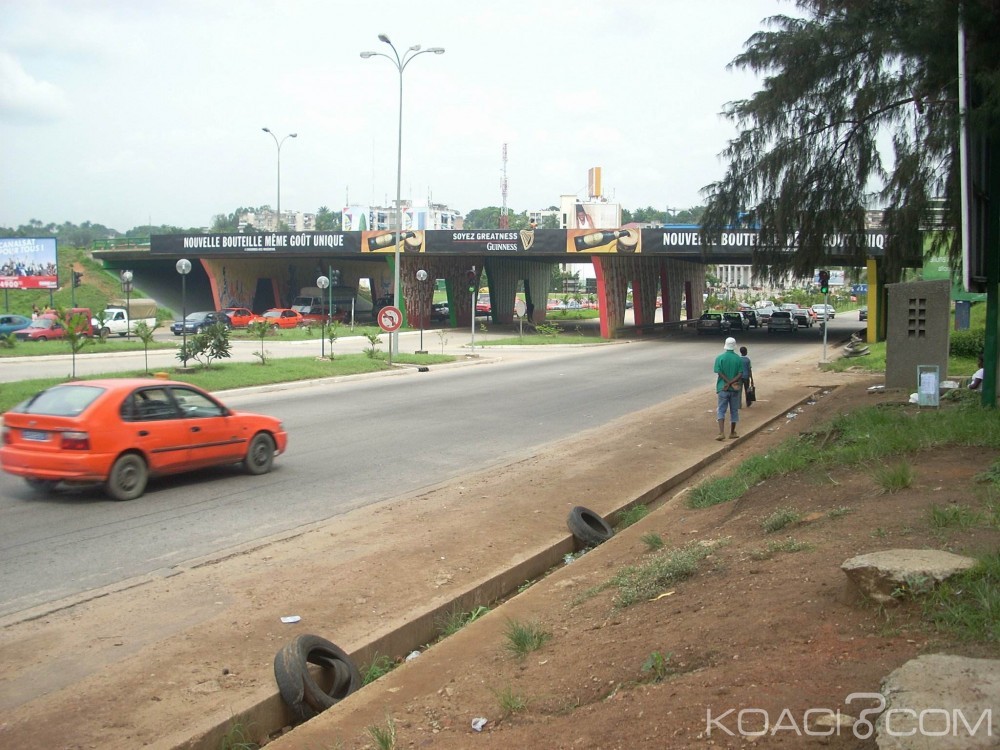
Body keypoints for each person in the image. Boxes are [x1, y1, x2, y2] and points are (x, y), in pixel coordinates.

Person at [714, 337, 743, 441]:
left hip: (723, 388)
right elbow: (740, 374)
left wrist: (726, 382)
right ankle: (732, 432)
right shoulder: (738, 359)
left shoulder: (720, 358)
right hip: (734, 389)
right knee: (734, 410)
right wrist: (731, 383)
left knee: (721, 410)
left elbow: (719, 372)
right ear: (734, 346)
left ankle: (721, 432)